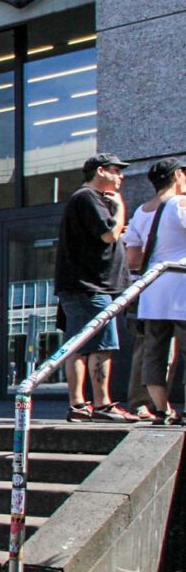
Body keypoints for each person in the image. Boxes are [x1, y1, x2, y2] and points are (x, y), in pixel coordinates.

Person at [54, 153, 135, 422]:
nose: (120, 176)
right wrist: (121, 208)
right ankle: (101, 404)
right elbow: (109, 234)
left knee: (77, 345)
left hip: (84, 286)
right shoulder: (88, 197)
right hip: (90, 287)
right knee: (100, 346)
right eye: (116, 170)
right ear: (100, 171)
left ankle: (79, 405)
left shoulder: (85, 200)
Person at [130, 158, 186, 424]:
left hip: (152, 290)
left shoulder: (140, 212)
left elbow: (132, 259)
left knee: (154, 351)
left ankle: (162, 410)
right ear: (176, 176)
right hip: (181, 287)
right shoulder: (180, 204)